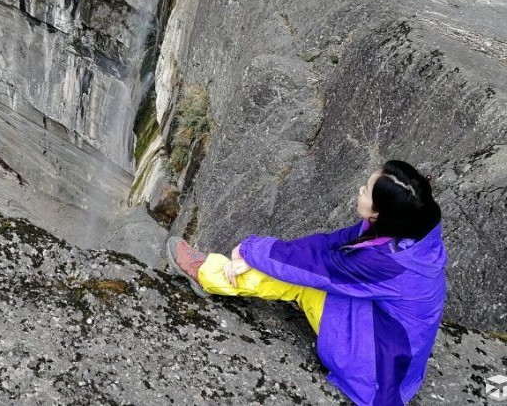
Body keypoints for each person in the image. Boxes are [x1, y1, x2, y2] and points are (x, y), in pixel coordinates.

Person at [166, 160, 447, 406]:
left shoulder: (387, 262)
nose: (360, 189)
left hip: (374, 370)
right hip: (394, 355)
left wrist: (251, 252)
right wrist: (263, 255)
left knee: (301, 281)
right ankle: (224, 270)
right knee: (298, 267)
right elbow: (330, 244)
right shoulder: (410, 227)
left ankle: (207, 274)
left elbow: (316, 268)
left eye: (367, 190)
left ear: (379, 213)